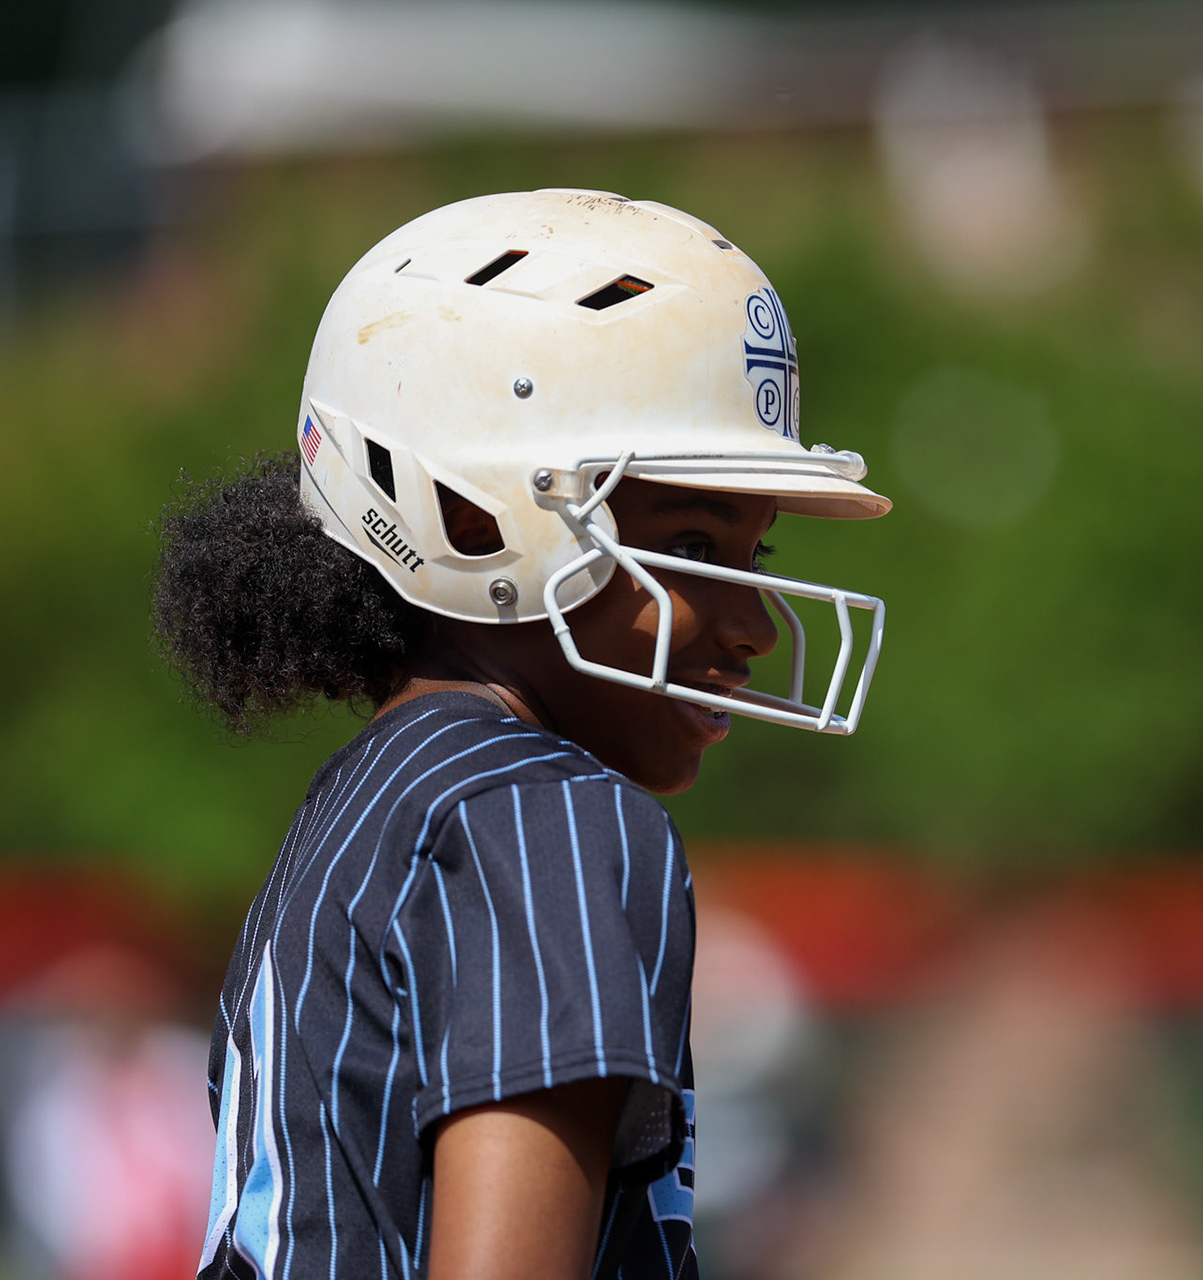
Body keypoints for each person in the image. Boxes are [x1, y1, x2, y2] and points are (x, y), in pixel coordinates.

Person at [152, 189, 890, 1280]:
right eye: (693, 542)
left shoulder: (377, 797)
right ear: (477, 516)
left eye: (756, 556)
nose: (750, 622)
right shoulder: (540, 814)